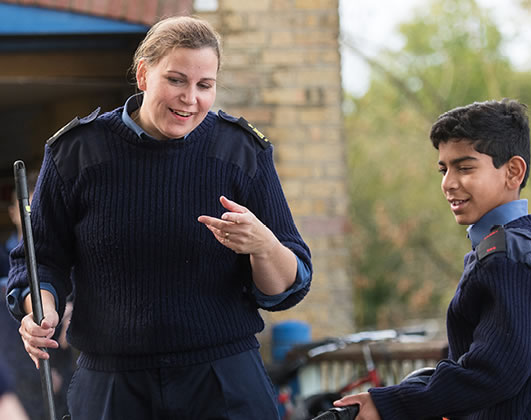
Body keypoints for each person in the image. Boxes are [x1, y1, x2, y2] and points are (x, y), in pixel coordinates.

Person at [7, 15, 312, 420]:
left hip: (223, 380)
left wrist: (264, 246)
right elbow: (40, 261)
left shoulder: (242, 152)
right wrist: (39, 312)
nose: (190, 98)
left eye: (205, 85)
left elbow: (286, 286)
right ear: (143, 74)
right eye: (176, 80)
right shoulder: (74, 153)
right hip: (112, 384)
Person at [335, 99, 531, 419]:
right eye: (444, 169)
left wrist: (392, 404)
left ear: (513, 171)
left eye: (465, 167)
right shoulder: (505, 246)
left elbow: (494, 373)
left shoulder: (512, 256)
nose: (448, 183)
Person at [1, 176, 75, 420]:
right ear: (13, 213)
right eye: (30, 210)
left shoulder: (74, 260)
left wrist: (75, 308)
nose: (36, 220)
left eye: (43, 211)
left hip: (70, 379)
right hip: (19, 385)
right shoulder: (3, 262)